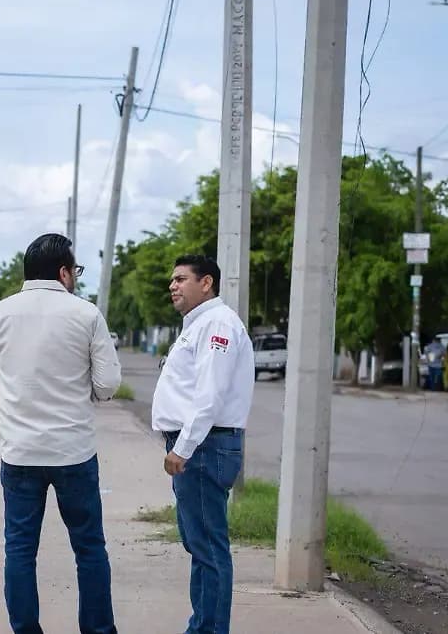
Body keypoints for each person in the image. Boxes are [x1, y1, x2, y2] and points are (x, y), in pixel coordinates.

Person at [0, 233, 122, 634]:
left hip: (20, 455)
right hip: (74, 454)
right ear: (64, 272)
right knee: (89, 550)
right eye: (76, 271)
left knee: (19, 550)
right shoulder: (86, 315)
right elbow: (107, 387)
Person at [151, 255, 253, 634]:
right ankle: (202, 626)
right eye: (172, 280)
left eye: (181, 279)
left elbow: (210, 395)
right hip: (201, 445)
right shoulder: (200, 324)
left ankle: (209, 629)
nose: (173, 286)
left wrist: (184, 448)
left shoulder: (217, 324)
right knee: (201, 546)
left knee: (209, 549)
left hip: (205, 447)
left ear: (206, 282)